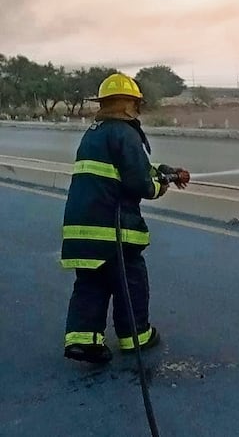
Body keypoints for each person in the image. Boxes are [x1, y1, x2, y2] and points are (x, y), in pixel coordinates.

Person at [61, 73, 188, 364]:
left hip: (82, 229)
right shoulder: (125, 133)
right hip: (114, 228)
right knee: (130, 280)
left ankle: (83, 341)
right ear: (131, 104)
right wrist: (161, 185)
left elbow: (125, 169)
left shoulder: (95, 132)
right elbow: (139, 183)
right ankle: (136, 337)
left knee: (91, 282)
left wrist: (160, 168)